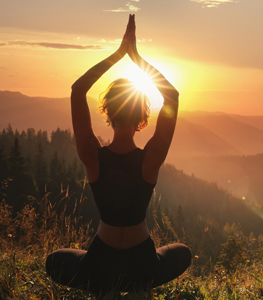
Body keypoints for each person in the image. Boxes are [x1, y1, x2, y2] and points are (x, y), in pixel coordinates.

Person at [45, 14, 191, 298]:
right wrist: (136, 57)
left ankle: (105, 287)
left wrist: (118, 54)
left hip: (101, 262)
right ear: (142, 118)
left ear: (107, 113)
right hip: (143, 263)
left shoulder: (92, 156)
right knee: (181, 253)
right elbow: (171, 96)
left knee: (56, 260)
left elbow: (77, 90)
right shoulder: (151, 159)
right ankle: (138, 287)